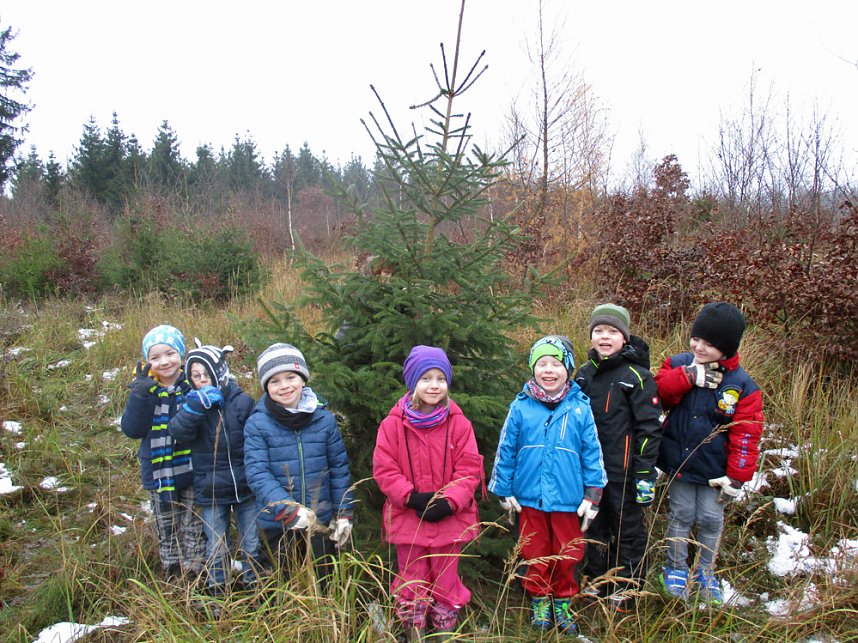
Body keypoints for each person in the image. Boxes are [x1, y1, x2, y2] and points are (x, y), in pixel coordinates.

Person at [489, 336, 607, 636]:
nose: (548, 370)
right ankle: (540, 598)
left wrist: (593, 494)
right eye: (541, 364)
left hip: (569, 500)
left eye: (556, 363)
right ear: (533, 368)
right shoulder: (521, 406)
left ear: (567, 367)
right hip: (530, 499)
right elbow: (507, 450)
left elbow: (593, 453)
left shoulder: (580, 407)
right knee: (534, 550)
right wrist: (503, 489)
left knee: (568, 553)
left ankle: (563, 601)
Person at [373, 346, 483, 642]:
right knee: (411, 576)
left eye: (440, 379)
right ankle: (415, 628)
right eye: (425, 378)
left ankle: (444, 628)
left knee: (446, 577)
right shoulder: (392, 425)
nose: (433, 385)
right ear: (412, 382)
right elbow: (384, 468)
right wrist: (410, 497)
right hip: (409, 518)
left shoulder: (459, 423)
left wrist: (450, 501)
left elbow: (470, 468)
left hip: (450, 519)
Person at [656, 302, 764, 603]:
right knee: (680, 514)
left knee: (709, 518)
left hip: (715, 472)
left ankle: (705, 571)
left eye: (710, 344)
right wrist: (688, 376)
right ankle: (675, 567)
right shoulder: (678, 363)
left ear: (727, 348)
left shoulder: (742, 386)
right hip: (679, 462)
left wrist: (737, 477)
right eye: (696, 339)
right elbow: (658, 394)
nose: (699, 347)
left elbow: (747, 434)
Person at [573, 304, 663, 612]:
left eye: (612, 331)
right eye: (599, 331)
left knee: (628, 529)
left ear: (624, 337)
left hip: (624, 472)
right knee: (593, 527)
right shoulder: (584, 375)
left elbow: (649, 429)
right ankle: (596, 580)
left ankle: (628, 587)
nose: (605, 337)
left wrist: (644, 474)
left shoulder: (638, 377)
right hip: (590, 472)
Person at [243, 343, 354, 587]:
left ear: (302, 378)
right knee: (284, 584)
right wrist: (287, 509)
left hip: (320, 521)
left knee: (324, 582)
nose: (284, 386)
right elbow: (257, 473)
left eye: (290, 377)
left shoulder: (324, 420)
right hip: (278, 525)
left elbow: (338, 468)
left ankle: (324, 623)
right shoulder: (258, 424)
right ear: (266, 386)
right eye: (274, 381)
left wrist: (343, 512)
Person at [168, 339, 258, 596]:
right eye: (195, 376)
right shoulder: (192, 404)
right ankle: (218, 592)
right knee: (216, 546)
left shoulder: (241, 402)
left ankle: (255, 589)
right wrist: (194, 407)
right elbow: (179, 432)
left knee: (251, 543)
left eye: (206, 374)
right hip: (211, 491)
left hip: (245, 488)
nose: (201, 379)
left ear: (219, 373)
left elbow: (257, 432)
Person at [121, 324, 205, 580]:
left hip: (190, 468)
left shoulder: (192, 386)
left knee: (193, 524)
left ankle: (196, 573)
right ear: (147, 361)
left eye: (170, 353)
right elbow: (132, 429)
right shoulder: (145, 389)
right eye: (155, 357)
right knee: (166, 525)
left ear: (181, 354)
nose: (164, 362)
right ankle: (172, 571)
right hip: (159, 473)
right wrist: (140, 395)